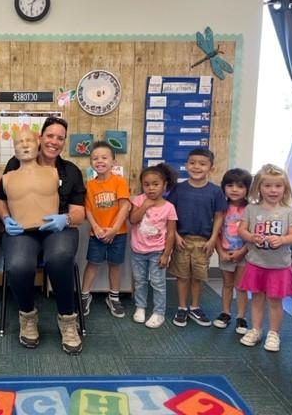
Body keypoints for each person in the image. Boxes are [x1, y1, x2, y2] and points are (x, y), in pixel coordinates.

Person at [0, 116, 86, 355]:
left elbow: (79, 213)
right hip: (23, 231)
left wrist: (63, 219)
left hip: (59, 228)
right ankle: (27, 315)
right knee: (17, 264)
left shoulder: (71, 171)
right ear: (40, 138)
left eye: (60, 138)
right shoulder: (14, 166)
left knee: (60, 256)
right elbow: (1, 198)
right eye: (50, 136)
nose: (54, 141)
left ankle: (67, 319)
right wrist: (6, 219)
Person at [238, 164, 292, 352]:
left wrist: (281, 239)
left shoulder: (288, 211)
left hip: (279, 266)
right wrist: (251, 237)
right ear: (259, 188)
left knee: (275, 301)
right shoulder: (251, 209)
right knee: (256, 299)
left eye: (278, 186)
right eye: (268, 186)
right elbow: (242, 230)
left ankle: (274, 333)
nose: (273, 190)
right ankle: (256, 329)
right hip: (257, 264)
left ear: (285, 188)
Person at [167, 148, 227, 328]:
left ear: (211, 168)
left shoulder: (215, 191)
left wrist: (212, 240)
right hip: (182, 240)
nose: (196, 167)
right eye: (192, 163)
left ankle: (195, 306)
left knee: (198, 277)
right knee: (182, 276)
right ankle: (182, 307)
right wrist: (175, 236)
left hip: (203, 242)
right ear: (186, 165)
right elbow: (170, 214)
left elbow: (219, 216)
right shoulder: (179, 189)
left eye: (202, 164)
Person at [80, 141, 131, 319]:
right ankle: (85, 296)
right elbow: (88, 210)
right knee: (92, 263)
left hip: (118, 233)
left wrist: (114, 229)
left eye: (104, 157)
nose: (99, 161)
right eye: (95, 158)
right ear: (91, 162)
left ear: (113, 162)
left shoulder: (120, 182)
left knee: (115, 265)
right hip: (97, 234)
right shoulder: (90, 185)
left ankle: (114, 297)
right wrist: (96, 228)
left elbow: (125, 206)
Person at [129, 163, 178, 329]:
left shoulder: (169, 207)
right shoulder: (139, 200)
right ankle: (140, 307)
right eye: (146, 184)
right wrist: (144, 206)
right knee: (140, 281)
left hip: (157, 251)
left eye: (155, 184)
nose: (151, 188)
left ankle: (159, 312)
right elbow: (133, 220)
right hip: (138, 250)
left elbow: (171, 233)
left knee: (158, 283)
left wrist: (166, 254)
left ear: (164, 185)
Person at [213, 168, 252, 334]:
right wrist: (220, 252)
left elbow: (253, 236)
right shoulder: (221, 208)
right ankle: (225, 313)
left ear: (248, 189)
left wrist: (242, 252)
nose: (234, 190)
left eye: (240, 186)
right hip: (225, 253)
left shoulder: (251, 209)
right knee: (227, 284)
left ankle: (241, 317)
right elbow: (215, 232)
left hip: (245, 254)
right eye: (230, 185)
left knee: (241, 287)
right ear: (223, 187)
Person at [1, 129, 59, 230]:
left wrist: (66, 219)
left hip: (51, 229)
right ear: (14, 148)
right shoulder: (7, 177)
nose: (25, 145)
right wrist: (5, 218)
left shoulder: (53, 172)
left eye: (29, 140)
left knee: (60, 246)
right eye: (19, 142)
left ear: (38, 143)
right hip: (20, 230)